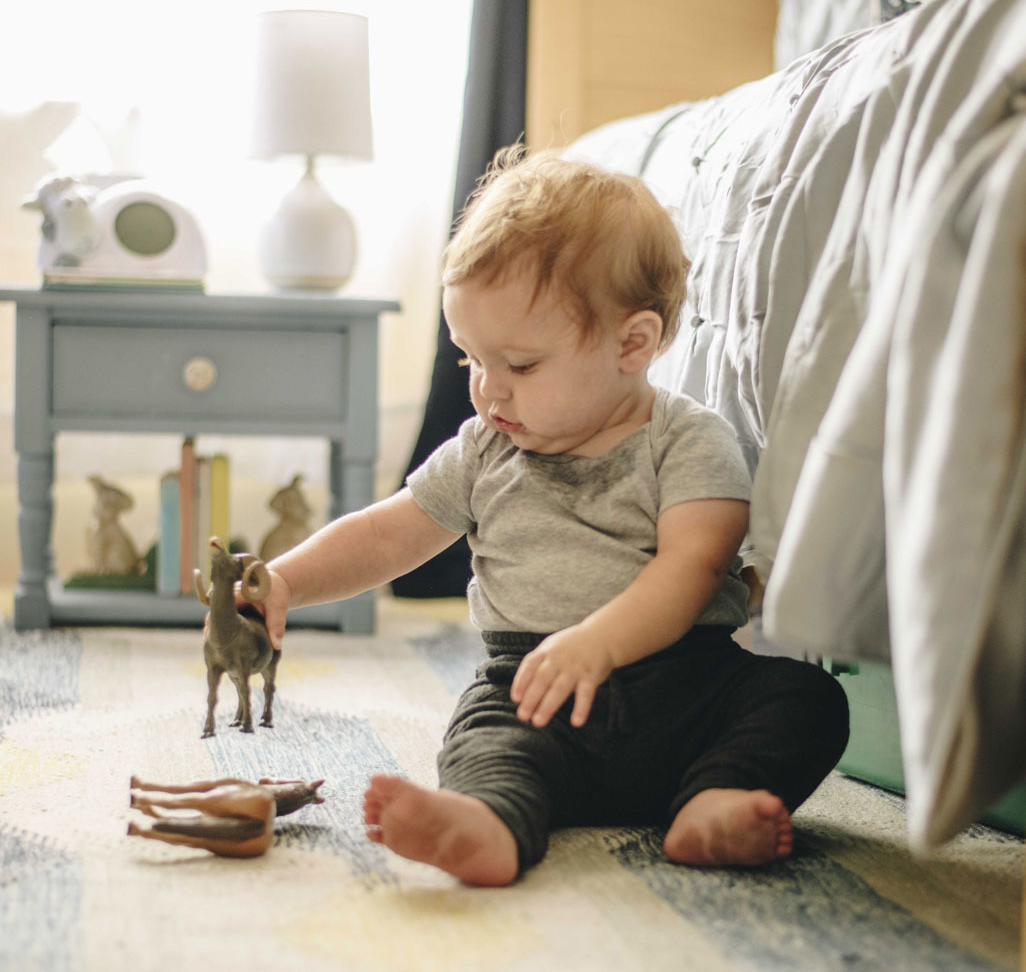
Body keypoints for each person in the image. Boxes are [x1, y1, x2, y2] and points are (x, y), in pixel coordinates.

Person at [255, 147, 850, 886]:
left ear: (633, 344)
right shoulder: (483, 450)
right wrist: (284, 580)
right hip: (531, 691)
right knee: (483, 739)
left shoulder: (689, 440)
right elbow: (388, 532)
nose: (486, 391)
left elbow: (692, 567)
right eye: (470, 359)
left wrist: (597, 644)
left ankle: (713, 802)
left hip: (687, 691)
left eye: (521, 366)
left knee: (806, 699)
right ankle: (489, 823)